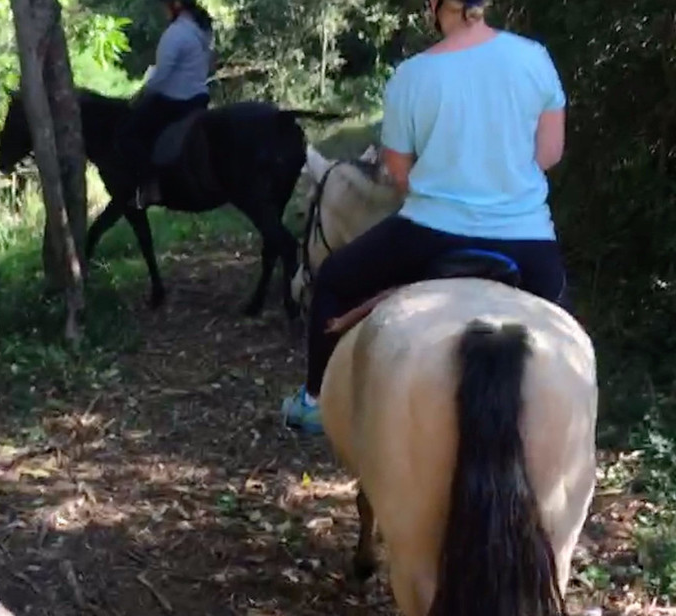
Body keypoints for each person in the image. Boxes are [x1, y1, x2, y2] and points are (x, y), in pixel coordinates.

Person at [282, 0, 569, 435]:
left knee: (334, 279)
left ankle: (315, 402)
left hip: (430, 234)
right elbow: (548, 155)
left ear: (434, 7)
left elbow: (400, 174)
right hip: (527, 242)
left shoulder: (412, 75)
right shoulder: (535, 58)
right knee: (566, 336)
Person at [117, 0, 215, 209]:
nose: (163, 11)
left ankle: (149, 186)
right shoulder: (203, 31)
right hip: (199, 98)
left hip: (175, 101)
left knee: (129, 135)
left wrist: (140, 95)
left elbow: (161, 75)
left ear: (175, 5)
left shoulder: (175, 34)